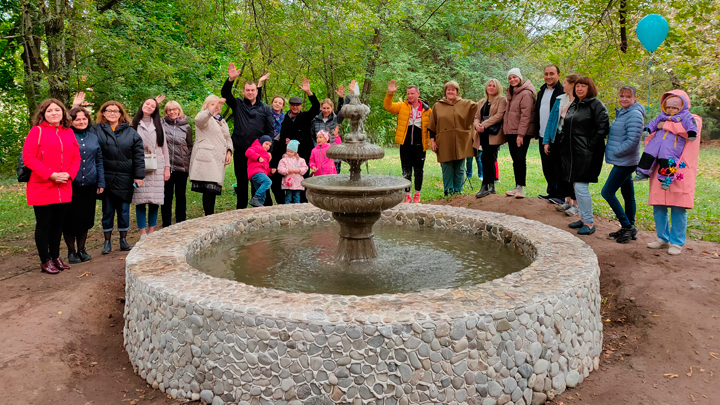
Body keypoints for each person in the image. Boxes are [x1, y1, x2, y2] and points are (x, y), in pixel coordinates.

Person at [23, 99, 81, 274]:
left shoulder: (68, 132)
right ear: (43, 114)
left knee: (58, 224)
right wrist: (51, 174)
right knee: (44, 224)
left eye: (57, 110)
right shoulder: (37, 131)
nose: (54, 113)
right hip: (42, 186)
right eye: (49, 111)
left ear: (63, 113)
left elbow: (76, 157)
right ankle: (45, 260)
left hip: (64, 186)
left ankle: (55, 256)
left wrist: (70, 174)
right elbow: (29, 158)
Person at [645, 90, 702, 255]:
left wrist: (665, 125)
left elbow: (689, 130)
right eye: (667, 105)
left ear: (684, 104)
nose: (670, 109)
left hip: (681, 168)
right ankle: (662, 238)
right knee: (658, 204)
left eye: (675, 105)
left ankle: (676, 242)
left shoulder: (694, 119)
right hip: (661, 166)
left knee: (678, 206)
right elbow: (651, 136)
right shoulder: (659, 118)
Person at [557, 76, 610, 235]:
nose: (579, 89)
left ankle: (589, 222)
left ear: (590, 88)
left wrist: (589, 146)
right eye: (578, 86)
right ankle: (583, 218)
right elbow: (567, 127)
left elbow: (603, 129)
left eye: (583, 86)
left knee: (580, 187)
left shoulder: (596, 105)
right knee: (575, 186)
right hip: (571, 153)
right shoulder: (574, 104)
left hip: (588, 153)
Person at [222, 64, 273, 208]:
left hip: (259, 153)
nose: (250, 92)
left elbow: (270, 131)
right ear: (243, 91)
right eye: (247, 90)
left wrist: (269, 151)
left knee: (259, 182)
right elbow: (225, 94)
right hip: (241, 151)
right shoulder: (238, 104)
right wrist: (230, 79)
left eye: (253, 90)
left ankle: (262, 211)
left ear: (257, 91)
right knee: (242, 182)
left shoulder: (264, 108)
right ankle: (241, 212)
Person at [602, 85, 644, 243]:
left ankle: (627, 226)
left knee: (607, 192)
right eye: (622, 96)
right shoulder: (623, 113)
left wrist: (615, 152)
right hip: (624, 160)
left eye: (628, 96)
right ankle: (630, 227)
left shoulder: (634, 114)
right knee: (628, 196)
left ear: (634, 98)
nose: (624, 99)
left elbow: (633, 141)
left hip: (625, 161)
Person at [63, 107, 105, 263]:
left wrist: (101, 182)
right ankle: (71, 252)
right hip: (70, 184)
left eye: (84, 119)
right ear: (71, 121)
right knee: (69, 219)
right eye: (77, 119)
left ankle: (82, 249)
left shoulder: (93, 137)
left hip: (89, 184)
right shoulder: (66, 135)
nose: (81, 122)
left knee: (85, 219)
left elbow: (99, 160)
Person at [632, 93, 698, 189]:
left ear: (681, 108)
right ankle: (642, 173)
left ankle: (666, 180)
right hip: (657, 141)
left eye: (674, 108)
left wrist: (692, 133)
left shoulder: (685, 116)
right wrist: (648, 130)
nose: (670, 109)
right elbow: (653, 123)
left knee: (667, 160)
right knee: (648, 154)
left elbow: (690, 124)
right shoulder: (662, 115)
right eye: (668, 107)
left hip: (672, 145)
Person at [271, 77, 320, 203]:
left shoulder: (305, 117)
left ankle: (302, 203)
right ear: (289, 105)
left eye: (297, 105)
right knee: (280, 178)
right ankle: (283, 203)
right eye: (293, 105)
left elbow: (316, 107)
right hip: (285, 154)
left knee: (302, 178)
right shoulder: (283, 118)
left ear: (301, 106)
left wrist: (309, 92)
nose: (295, 107)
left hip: (303, 154)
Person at [383, 80, 432, 203]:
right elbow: (388, 106)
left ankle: (417, 194)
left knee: (419, 170)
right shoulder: (402, 106)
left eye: (412, 93)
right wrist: (390, 93)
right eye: (408, 94)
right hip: (405, 144)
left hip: (420, 144)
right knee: (406, 170)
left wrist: (432, 141)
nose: (409, 96)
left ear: (418, 94)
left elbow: (432, 126)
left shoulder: (427, 110)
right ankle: (407, 194)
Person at [428, 81, 478, 196]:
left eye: (453, 89)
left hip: (461, 140)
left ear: (457, 91)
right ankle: (448, 191)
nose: (450, 91)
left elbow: (479, 107)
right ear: (445, 91)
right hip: (444, 140)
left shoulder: (465, 104)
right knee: (446, 166)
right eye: (448, 89)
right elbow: (432, 125)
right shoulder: (438, 106)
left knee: (460, 167)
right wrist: (432, 141)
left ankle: (458, 191)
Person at [131, 99, 170, 239]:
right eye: (147, 104)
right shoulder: (134, 124)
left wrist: (167, 167)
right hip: (139, 165)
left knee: (155, 199)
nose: (149, 107)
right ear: (142, 105)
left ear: (155, 110)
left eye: (153, 106)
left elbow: (164, 147)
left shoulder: (159, 124)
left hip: (157, 166)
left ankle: (152, 230)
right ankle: (142, 232)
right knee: (140, 199)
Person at [543, 74, 581, 216]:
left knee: (571, 173)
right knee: (560, 172)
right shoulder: (560, 100)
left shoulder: (581, 102)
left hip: (573, 142)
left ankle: (576, 205)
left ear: (572, 84)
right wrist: (547, 141)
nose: (563, 85)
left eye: (565, 82)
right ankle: (567, 201)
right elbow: (551, 121)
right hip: (558, 139)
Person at [189, 95, 233, 216]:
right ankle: (209, 216)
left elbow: (227, 137)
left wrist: (229, 150)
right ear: (207, 105)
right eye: (213, 105)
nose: (217, 107)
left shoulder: (221, 120)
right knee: (208, 189)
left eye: (219, 105)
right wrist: (211, 108)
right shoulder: (203, 116)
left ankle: (210, 216)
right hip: (207, 158)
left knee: (213, 190)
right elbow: (199, 120)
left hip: (218, 158)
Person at [503, 68, 537, 198]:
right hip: (511, 132)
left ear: (520, 78)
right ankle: (517, 186)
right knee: (516, 160)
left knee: (520, 159)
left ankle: (521, 188)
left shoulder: (526, 93)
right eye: (510, 78)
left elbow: (526, 116)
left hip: (521, 133)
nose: (512, 80)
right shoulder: (513, 93)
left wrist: (521, 135)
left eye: (514, 77)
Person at [534, 64, 565, 204]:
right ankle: (551, 192)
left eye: (551, 73)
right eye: (546, 74)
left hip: (557, 136)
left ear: (558, 75)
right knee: (546, 166)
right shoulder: (541, 91)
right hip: (542, 135)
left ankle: (561, 195)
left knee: (557, 166)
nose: (548, 76)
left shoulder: (563, 91)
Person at [160, 100, 193, 228]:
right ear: (166, 112)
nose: (172, 112)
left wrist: (188, 164)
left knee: (180, 195)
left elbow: (189, 146)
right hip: (166, 167)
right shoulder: (162, 124)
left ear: (179, 110)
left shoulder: (186, 127)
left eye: (175, 109)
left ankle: (181, 222)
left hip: (182, 166)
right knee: (166, 196)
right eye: (169, 110)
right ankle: (166, 224)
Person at [474, 79, 508, 198]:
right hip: (482, 134)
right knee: (487, 158)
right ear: (486, 87)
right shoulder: (482, 102)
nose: (491, 87)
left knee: (487, 157)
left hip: (494, 135)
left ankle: (486, 185)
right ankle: (490, 186)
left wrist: (484, 124)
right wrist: (477, 125)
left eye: (494, 86)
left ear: (497, 88)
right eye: (489, 85)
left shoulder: (501, 100)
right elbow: (476, 117)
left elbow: (499, 116)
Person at [311, 84, 348, 174]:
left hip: (334, 156)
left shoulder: (336, 119)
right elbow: (312, 135)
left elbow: (342, 111)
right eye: (324, 108)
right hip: (319, 156)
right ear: (321, 108)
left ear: (332, 108)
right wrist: (316, 146)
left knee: (334, 182)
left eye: (328, 108)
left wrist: (340, 98)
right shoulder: (315, 120)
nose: (326, 110)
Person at [246, 135, 275, 207]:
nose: (268, 146)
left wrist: (270, 171)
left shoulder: (266, 155)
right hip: (255, 172)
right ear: (261, 142)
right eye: (266, 144)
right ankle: (255, 198)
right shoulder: (256, 148)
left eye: (269, 145)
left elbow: (264, 169)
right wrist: (257, 157)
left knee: (263, 194)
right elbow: (248, 152)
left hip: (260, 173)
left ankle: (259, 206)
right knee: (268, 182)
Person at [277, 140, 308, 204]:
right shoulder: (283, 160)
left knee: (296, 196)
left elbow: (305, 168)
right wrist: (288, 171)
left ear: (295, 152)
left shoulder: (301, 160)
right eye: (288, 151)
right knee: (288, 196)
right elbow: (280, 169)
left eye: (291, 152)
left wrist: (299, 170)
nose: (289, 153)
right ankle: (287, 208)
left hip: (298, 181)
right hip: (288, 182)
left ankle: (297, 208)